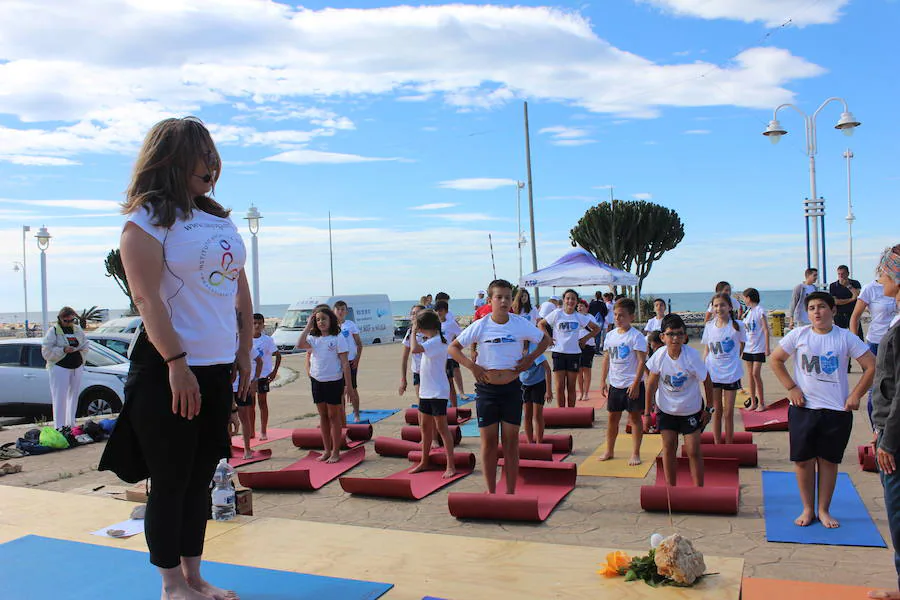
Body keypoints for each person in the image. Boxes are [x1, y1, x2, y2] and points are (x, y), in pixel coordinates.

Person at [99, 116, 251, 600]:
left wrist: (244, 350)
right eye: (200, 156)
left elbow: (237, 286)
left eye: (213, 156)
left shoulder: (217, 218)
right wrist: (177, 364)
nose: (211, 166)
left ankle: (195, 577)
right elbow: (147, 300)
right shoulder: (146, 219)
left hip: (215, 365)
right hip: (168, 367)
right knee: (170, 480)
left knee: (202, 477)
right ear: (171, 160)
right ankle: (170, 585)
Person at [770, 291, 875, 528]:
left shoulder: (845, 337)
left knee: (828, 461)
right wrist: (792, 387)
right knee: (803, 461)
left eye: (822, 307)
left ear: (833, 310)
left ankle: (824, 510)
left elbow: (871, 366)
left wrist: (856, 395)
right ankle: (807, 509)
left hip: (836, 410)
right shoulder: (799, 335)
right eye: (812, 308)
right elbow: (775, 360)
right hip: (803, 408)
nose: (817, 312)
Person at [449, 279, 551, 494]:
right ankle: (491, 491)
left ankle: (511, 491)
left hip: (512, 389)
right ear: (490, 300)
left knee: (511, 442)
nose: (504, 301)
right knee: (488, 444)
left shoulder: (519, 323)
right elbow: (454, 348)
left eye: (507, 297)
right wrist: (472, 367)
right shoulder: (481, 325)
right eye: (499, 297)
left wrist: (530, 358)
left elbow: (544, 340)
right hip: (486, 392)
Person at [645, 313, 714, 486]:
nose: (675, 338)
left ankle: (698, 489)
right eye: (670, 334)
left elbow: (706, 380)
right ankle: (671, 488)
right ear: (663, 337)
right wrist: (647, 413)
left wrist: (709, 409)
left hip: (690, 409)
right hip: (666, 409)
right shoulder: (659, 356)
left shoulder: (691, 356)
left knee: (693, 451)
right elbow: (651, 384)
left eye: (679, 334)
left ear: (685, 337)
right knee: (668, 448)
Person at [869, 245, 900, 600]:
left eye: (882, 271)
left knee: (899, 514)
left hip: (895, 440)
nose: (879, 277)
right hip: (891, 433)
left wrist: (888, 441)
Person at [296, 306, 356, 464]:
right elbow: (299, 344)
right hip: (317, 380)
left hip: (334, 381)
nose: (321, 322)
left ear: (331, 320)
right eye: (318, 319)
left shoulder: (337, 337)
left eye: (324, 319)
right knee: (323, 416)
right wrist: (308, 325)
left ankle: (336, 451)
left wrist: (348, 386)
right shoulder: (313, 338)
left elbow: (345, 363)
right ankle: (326, 450)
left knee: (333, 416)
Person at [598, 298, 648, 465]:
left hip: (631, 385)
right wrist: (603, 380)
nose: (618, 318)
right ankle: (609, 450)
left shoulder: (636, 337)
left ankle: (635, 453)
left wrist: (635, 384)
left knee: (634, 419)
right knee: (612, 419)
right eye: (616, 315)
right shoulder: (610, 336)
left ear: (631, 317)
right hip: (615, 384)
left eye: (622, 316)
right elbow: (606, 359)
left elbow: (642, 361)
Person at [408, 310, 457, 478]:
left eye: (419, 327)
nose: (418, 330)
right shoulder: (432, 340)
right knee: (424, 427)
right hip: (426, 391)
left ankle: (451, 465)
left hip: (438, 392)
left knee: (442, 429)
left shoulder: (437, 342)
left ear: (423, 327)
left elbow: (414, 349)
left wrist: (413, 331)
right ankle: (424, 460)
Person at [538, 289, 601, 408]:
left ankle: (571, 413)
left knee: (571, 386)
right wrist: (548, 338)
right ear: (564, 300)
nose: (570, 301)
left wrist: (585, 339)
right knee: (559, 387)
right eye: (568, 298)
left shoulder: (579, 317)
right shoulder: (557, 313)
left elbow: (597, 329)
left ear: (576, 301)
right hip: (558, 353)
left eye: (573, 299)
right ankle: (561, 413)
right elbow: (541, 324)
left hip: (574, 354)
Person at [851, 272, 900, 425]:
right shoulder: (870, 288)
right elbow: (855, 317)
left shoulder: (896, 287)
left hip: (896, 340)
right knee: (876, 388)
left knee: (894, 388)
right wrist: (857, 346)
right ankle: (877, 429)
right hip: (877, 343)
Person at [702, 293, 747, 444]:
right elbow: (707, 349)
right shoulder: (709, 326)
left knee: (728, 412)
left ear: (729, 307)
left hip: (731, 373)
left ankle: (729, 443)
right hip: (713, 372)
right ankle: (717, 443)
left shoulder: (737, 326)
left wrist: (734, 358)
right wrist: (702, 368)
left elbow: (742, 344)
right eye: (715, 305)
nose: (719, 308)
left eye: (722, 305)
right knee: (717, 411)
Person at [41, 307, 89, 429]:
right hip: (60, 367)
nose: (69, 323)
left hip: (76, 366)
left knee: (73, 396)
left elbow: (85, 344)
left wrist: (80, 351)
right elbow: (46, 351)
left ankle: (70, 424)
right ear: (60, 319)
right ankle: (59, 427)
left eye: (72, 320)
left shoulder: (77, 330)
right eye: (66, 320)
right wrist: (63, 350)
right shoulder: (53, 331)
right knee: (60, 397)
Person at [333, 300, 363, 423]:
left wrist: (357, 359)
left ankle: (356, 414)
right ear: (334, 311)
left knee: (353, 388)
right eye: (338, 309)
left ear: (346, 311)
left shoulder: (350, 325)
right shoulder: (331, 326)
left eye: (342, 309)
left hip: (350, 361)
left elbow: (359, 344)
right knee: (340, 391)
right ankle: (342, 415)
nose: (340, 311)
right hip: (337, 363)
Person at [741, 288, 770, 412]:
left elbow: (765, 329)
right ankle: (753, 402)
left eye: (744, 297)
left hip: (758, 347)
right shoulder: (747, 312)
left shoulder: (760, 310)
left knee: (755, 374)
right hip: (748, 348)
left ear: (749, 297)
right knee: (750, 375)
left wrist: (767, 347)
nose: (744, 300)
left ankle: (761, 402)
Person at [252, 313, 280, 440]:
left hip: (263, 376)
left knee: (262, 402)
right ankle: (251, 430)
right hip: (249, 377)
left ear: (263, 325)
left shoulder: (267, 340)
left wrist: (274, 372)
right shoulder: (246, 339)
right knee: (249, 405)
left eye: (259, 323)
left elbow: (278, 355)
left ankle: (263, 431)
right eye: (254, 323)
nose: (257, 326)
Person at [233, 346, 263, 460]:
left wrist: (255, 380)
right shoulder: (224, 344)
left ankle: (247, 448)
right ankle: (228, 448)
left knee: (244, 417)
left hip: (243, 387)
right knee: (226, 418)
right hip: (227, 388)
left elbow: (259, 361)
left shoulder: (245, 345)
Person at [520, 341, 552, 444]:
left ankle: (539, 442)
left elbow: (547, 369)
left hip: (538, 383)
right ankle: (530, 442)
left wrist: (548, 390)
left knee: (537, 415)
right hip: (524, 383)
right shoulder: (516, 348)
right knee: (527, 415)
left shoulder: (533, 348)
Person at [435, 300, 464, 407]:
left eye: (441, 310)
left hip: (448, 357)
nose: (438, 312)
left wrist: (454, 345)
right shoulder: (434, 324)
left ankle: (454, 406)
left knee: (449, 382)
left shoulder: (451, 324)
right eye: (437, 310)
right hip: (437, 357)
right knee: (438, 383)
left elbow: (461, 336)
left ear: (446, 311)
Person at [399, 304, 426, 398]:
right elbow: (404, 358)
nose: (414, 316)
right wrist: (403, 379)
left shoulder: (431, 331)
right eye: (412, 313)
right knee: (421, 404)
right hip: (417, 372)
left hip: (431, 372)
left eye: (417, 313)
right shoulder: (410, 332)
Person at [576, 299, 600, 402]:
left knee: (587, 370)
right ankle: (580, 392)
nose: (579, 308)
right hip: (576, 346)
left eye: (582, 306)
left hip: (589, 346)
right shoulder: (575, 317)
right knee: (579, 371)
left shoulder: (590, 317)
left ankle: (586, 393)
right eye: (578, 306)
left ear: (587, 308)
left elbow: (595, 330)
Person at [830, 265, 862, 333]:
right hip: (840, 314)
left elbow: (858, 296)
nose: (840, 276)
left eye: (843, 273)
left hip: (853, 313)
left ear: (847, 274)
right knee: (840, 337)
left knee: (857, 336)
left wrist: (848, 286)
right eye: (839, 274)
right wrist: (851, 299)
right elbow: (836, 301)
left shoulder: (855, 283)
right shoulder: (833, 285)